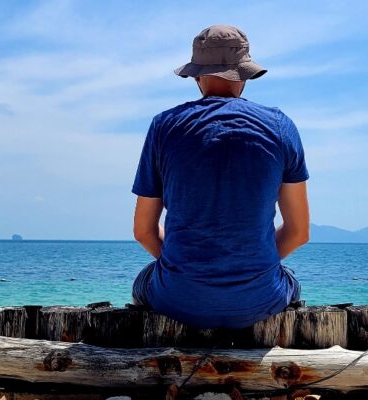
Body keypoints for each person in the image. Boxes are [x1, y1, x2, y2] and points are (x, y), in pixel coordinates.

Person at [129, 25, 310, 330]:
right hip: (260, 298)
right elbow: (299, 232)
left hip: (177, 298)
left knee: (143, 279)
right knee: (290, 279)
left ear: (196, 76)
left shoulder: (163, 126)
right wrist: (254, 266)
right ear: (244, 75)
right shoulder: (281, 127)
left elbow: (143, 231)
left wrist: (184, 267)